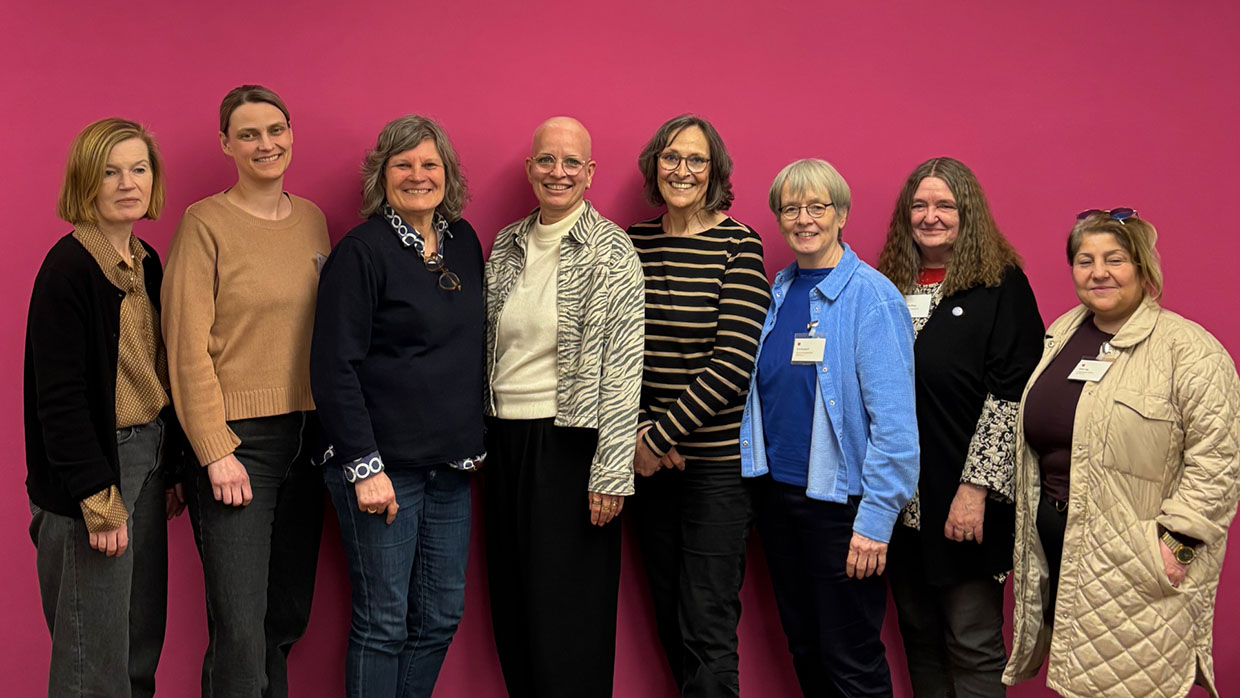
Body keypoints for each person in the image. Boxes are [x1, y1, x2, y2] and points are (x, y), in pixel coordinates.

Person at [1005, 210, 1240, 698]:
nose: (1099, 273)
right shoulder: (1062, 333)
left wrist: (1176, 549)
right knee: (1077, 684)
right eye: (1085, 261)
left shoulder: (1190, 350)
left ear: (1142, 268)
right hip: (1059, 547)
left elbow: (1219, 461)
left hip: (1136, 563)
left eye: (1115, 259)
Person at [162, 85, 330, 698]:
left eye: (276, 129)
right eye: (250, 133)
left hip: (309, 440)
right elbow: (185, 346)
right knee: (239, 628)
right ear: (227, 144)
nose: (267, 144)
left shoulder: (312, 219)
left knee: (283, 618)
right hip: (239, 445)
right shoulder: (205, 223)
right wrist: (213, 449)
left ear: (291, 134)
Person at [310, 115, 485, 697]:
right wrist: (364, 466)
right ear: (381, 175)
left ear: (448, 174)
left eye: (429, 164)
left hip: (449, 469)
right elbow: (334, 366)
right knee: (383, 624)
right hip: (382, 470)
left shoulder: (464, 242)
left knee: (439, 617)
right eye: (403, 164)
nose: (418, 175)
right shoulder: (361, 251)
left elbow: (466, 350)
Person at [739, 158, 918, 698]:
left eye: (817, 206)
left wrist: (876, 521)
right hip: (779, 498)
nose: (803, 219)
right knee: (805, 646)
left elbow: (896, 428)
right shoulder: (780, 290)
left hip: (842, 509)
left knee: (851, 657)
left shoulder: (872, 296)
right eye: (791, 208)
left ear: (841, 214)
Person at [483, 116, 645, 698]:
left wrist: (611, 473)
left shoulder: (611, 250)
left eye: (571, 163)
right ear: (529, 168)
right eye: (546, 160)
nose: (558, 172)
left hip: (573, 446)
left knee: (567, 617)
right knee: (515, 604)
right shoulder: (505, 244)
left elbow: (626, 368)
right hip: (503, 442)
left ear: (590, 173)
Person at [26, 117, 186, 698]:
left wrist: (168, 472)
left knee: (137, 647)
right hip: (93, 472)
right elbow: (60, 400)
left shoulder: (146, 262)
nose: (127, 182)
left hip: (146, 457)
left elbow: (154, 374)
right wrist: (97, 497)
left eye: (138, 169)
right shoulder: (67, 269)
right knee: (92, 664)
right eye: (110, 172)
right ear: (85, 183)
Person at [876, 157, 1043, 698]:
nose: (930, 216)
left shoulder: (1001, 286)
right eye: (919, 205)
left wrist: (975, 490)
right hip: (900, 499)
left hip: (967, 499)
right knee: (919, 636)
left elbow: (1011, 396)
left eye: (944, 205)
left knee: (971, 641)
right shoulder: (888, 285)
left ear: (967, 212)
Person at [626, 114, 770, 697]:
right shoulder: (630, 244)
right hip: (647, 465)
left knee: (707, 623)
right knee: (669, 616)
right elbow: (612, 352)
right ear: (653, 165)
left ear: (715, 173)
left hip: (713, 469)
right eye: (671, 157)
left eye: (696, 160)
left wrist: (657, 437)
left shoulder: (740, 244)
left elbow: (734, 362)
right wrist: (640, 431)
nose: (681, 170)